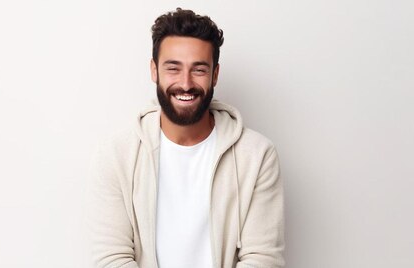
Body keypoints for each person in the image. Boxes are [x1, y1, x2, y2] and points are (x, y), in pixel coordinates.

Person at [89, 8, 285, 268]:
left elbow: (262, 260)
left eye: (199, 70)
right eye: (173, 68)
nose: (185, 83)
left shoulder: (257, 155)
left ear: (215, 74)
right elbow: (111, 259)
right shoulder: (117, 155)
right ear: (154, 71)